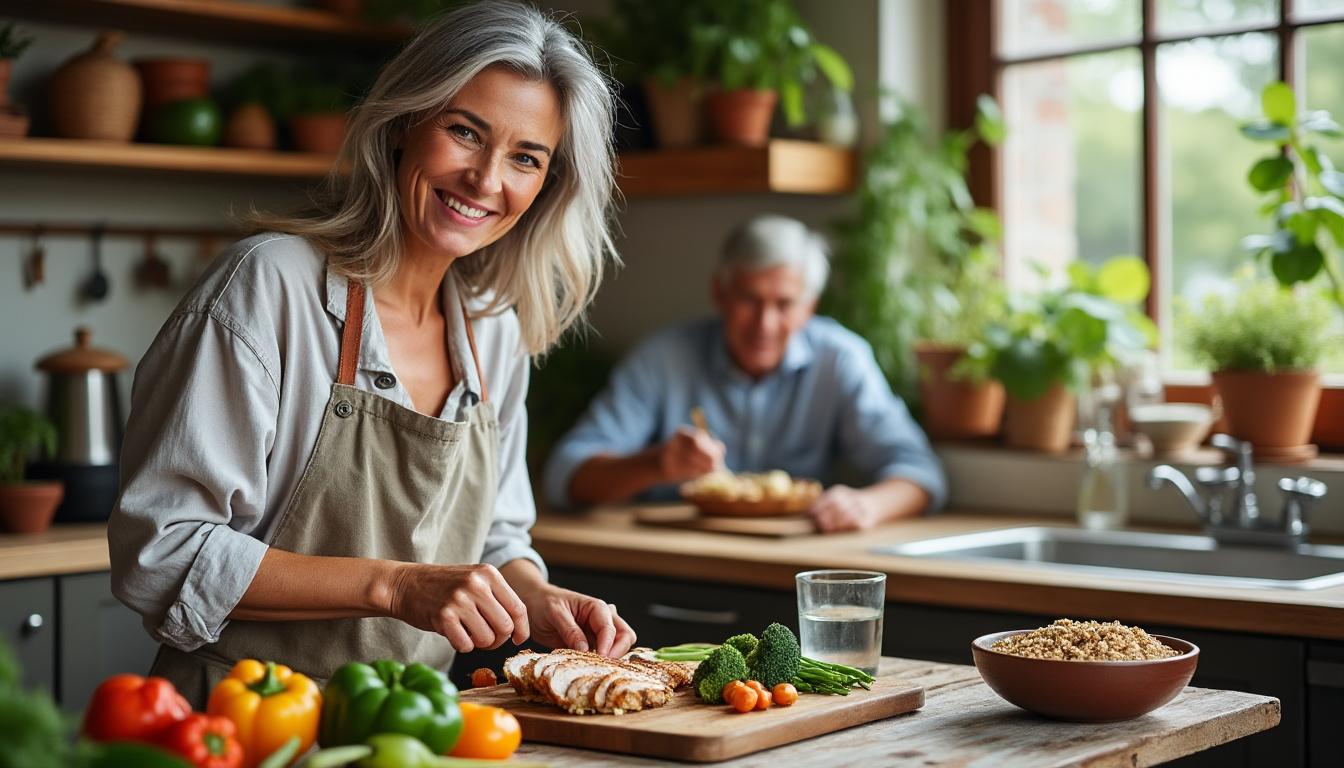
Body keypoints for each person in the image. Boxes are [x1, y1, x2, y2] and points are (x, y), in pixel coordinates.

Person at [109, 1, 634, 705]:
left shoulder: (493, 330)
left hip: (406, 726)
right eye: (464, 131)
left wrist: (535, 598)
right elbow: (162, 549)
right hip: (236, 720)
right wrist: (394, 585)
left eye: (525, 158)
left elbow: (495, 539)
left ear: (546, 187)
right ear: (402, 124)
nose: (486, 180)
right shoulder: (270, 286)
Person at [543, 214, 946, 531]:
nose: (764, 325)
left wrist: (868, 505)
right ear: (720, 293)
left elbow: (922, 473)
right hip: (678, 558)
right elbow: (564, 476)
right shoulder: (663, 359)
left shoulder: (841, 359)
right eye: (749, 300)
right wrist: (655, 465)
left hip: (796, 561)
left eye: (784, 305)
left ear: (809, 307)